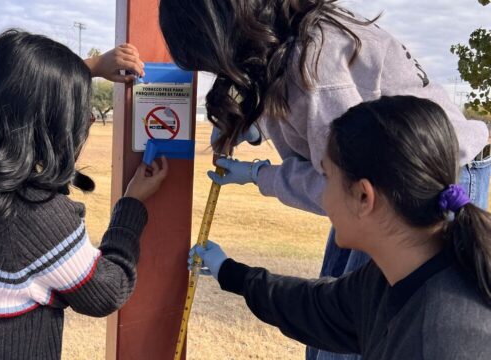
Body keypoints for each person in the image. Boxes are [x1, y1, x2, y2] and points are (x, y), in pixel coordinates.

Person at [159, 2, 491, 358]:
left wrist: (261, 175)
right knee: (336, 327)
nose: (325, 205)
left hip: (427, 173)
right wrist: (232, 274)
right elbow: (321, 309)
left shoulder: (443, 338)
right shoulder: (287, 44)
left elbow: (332, 176)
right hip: (389, 186)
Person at [0, 30, 165, 359]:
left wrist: (90, 66)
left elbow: (10, 86)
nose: (87, 119)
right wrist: (131, 205)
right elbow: (107, 291)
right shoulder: (36, 215)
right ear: (54, 123)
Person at [191, 96, 491, 359]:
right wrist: (230, 272)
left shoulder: (443, 342)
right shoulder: (396, 276)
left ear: (364, 196)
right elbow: (315, 307)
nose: (322, 195)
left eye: (327, 177)